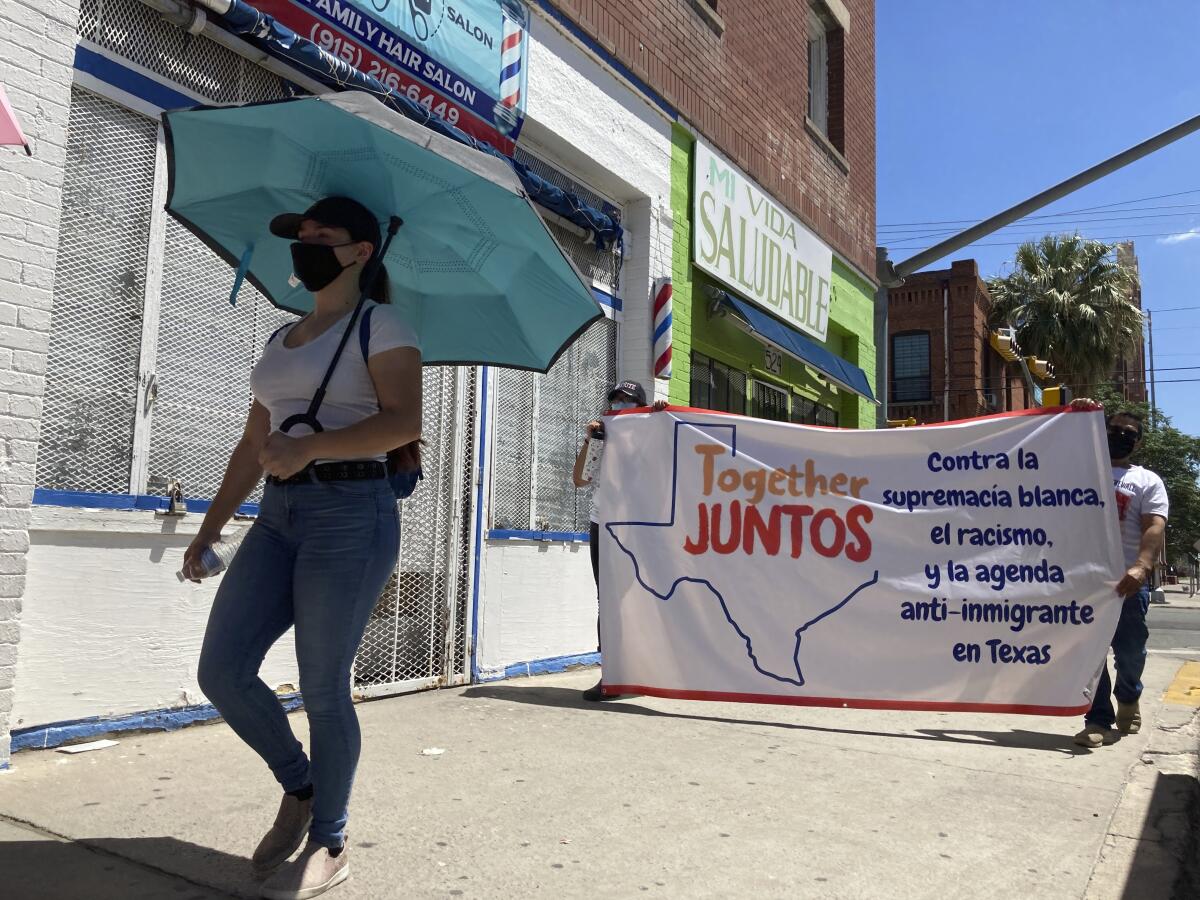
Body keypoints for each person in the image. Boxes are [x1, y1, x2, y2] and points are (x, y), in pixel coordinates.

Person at [190, 197, 422, 899]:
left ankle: (331, 836)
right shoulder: (281, 339)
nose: (307, 244)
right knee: (222, 671)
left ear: (360, 252)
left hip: (353, 513)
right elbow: (251, 445)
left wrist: (313, 445)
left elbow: (402, 421)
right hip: (279, 515)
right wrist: (210, 527)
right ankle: (301, 785)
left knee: (323, 685)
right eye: (303, 235)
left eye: (324, 236)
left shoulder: (383, 327)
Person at [1069, 400, 1168, 749]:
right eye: (1114, 431)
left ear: (1138, 442)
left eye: (1129, 434)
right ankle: (1097, 719)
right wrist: (1075, 414)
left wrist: (1142, 566)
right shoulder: (1079, 472)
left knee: (1130, 654)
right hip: (1084, 584)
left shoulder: (1146, 481)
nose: (1121, 437)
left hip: (1128, 584)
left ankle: (1129, 696)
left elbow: (1154, 527)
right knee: (1090, 656)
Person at [572, 380, 667, 702]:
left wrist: (661, 423)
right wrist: (592, 439)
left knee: (642, 597)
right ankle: (611, 674)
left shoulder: (652, 435)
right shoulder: (603, 434)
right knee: (608, 600)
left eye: (628, 401)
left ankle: (650, 668)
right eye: (616, 400)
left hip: (638, 527)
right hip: (604, 525)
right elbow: (580, 479)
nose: (620, 405)